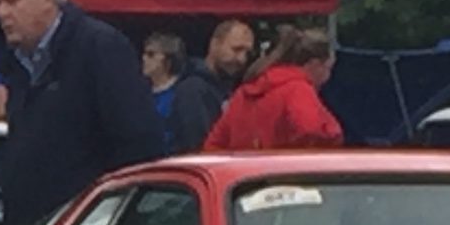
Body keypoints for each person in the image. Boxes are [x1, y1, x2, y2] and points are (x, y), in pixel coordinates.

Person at [0, 0, 166, 225]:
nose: (2, 13)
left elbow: (139, 146)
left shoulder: (99, 49)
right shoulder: (19, 64)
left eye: (12, 1)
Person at [209, 22, 342, 150]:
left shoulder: (243, 93)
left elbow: (213, 145)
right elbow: (312, 131)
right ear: (314, 64)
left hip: (245, 171)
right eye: (328, 68)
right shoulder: (298, 89)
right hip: (285, 170)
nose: (327, 77)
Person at [163, 19, 255, 151]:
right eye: (236, 49)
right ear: (214, 44)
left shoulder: (229, 89)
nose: (242, 59)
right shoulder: (193, 90)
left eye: (247, 53)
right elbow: (197, 145)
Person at [140, 28, 188, 132]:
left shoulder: (182, 93)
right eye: (144, 53)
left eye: (151, 54)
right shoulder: (141, 92)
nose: (144, 58)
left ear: (168, 59)